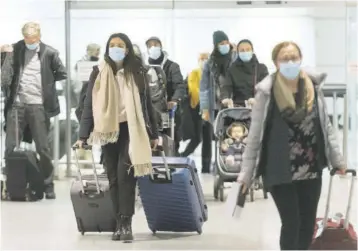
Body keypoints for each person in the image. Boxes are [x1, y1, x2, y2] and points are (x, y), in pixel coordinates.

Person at [237, 41, 346, 250]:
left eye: (294, 57)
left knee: (307, 223)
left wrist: (337, 159)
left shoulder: (313, 87)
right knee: (292, 222)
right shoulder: (266, 92)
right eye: (284, 58)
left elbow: (326, 126)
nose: (290, 62)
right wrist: (246, 174)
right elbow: (255, 136)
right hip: (279, 169)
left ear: (301, 59)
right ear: (275, 63)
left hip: (311, 167)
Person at [76, 33, 159, 242]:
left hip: (131, 129)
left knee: (125, 176)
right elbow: (89, 106)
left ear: (127, 49)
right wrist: (82, 135)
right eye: (112, 45)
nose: (115, 48)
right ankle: (118, 222)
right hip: (107, 130)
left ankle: (126, 222)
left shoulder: (137, 71)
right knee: (113, 177)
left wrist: (154, 134)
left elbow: (148, 104)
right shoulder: (99, 71)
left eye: (120, 45)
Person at [3, 22, 67, 199]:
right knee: (10, 146)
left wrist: (47, 84)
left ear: (39, 36)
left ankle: (48, 184)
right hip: (17, 104)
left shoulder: (50, 53)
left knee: (43, 147)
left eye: (32, 38)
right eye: (26, 38)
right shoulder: (15, 50)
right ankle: (12, 184)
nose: (29, 41)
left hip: (39, 105)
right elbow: (5, 76)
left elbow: (62, 73)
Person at [199, 30, 236, 173]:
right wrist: (205, 109)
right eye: (221, 43)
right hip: (217, 104)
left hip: (234, 103)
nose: (225, 45)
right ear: (216, 45)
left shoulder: (235, 58)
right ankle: (220, 165)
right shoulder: (210, 62)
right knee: (220, 136)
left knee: (235, 133)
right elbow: (204, 87)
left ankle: (233, 163)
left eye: (226, 42)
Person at [146, 36, 185, 155]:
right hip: (150, 110)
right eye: (150, 46)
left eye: (156, 45)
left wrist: (174, 100)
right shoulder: (145, 67)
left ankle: (171, 166)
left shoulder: (172, 66)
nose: (153, 48)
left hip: (168, 111)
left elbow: (180, 86)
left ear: (161, 47)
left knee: (171, 141)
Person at [221, 39, 269, 108]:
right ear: (238, 52)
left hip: (258, 108)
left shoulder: (261, 68)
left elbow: (266, 88)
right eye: (242, 50)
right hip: (238, 109)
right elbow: (226, 87)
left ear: (252, 51)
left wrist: (258, 99)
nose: (245, 52)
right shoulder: (232, 69)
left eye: (248, 49)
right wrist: (225, 98)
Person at [180, 52, 209, 159]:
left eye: (206, 59)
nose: (204, 61)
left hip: (207, 108)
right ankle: (183, 155)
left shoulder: (210, 74)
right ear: (198, 61)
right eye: (202, 59)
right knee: (197, 137)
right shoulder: (194, 72)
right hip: (195, 108)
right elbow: (194, 90)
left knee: (204, 138)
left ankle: (184, 155)